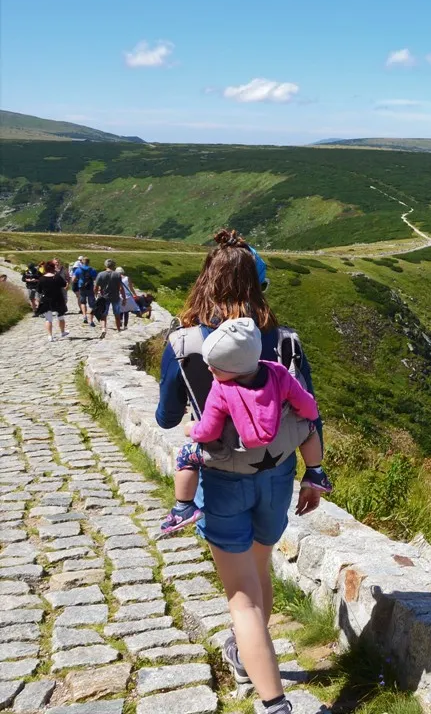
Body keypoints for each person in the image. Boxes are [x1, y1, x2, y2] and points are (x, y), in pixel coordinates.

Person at [154, 229, 329, 714]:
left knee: (241, 598)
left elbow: (165, 418)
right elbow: (311, 413)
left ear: (205, 281)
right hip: (277, 475)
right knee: (260, 567)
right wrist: (314, 474)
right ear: (257, 282)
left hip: (221, 480)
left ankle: (273, 700)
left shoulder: (184, 343)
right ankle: (247, 653)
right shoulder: (285, 342)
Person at [161, 316, 328, 537]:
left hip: (233, 458)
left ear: (232, 367)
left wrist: (192, 428)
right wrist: (308, 418)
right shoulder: (278, 372)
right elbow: (307, 406)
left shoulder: (221, 390)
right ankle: (315, 472)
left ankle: (183, 507)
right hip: (279, 453)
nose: (209, 369)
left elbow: (209, 431)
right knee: (309, 430)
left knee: (185, 456)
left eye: (215, 367)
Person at [34, 261, 69, 341]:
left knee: (48, 319)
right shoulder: (57, 277)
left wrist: (38, 300)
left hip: (46, 300)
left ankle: (50, 336)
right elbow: (64, 285)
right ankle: (62, 332)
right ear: (53, 268)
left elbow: (39, 290)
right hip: (58, 299)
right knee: (60, 317)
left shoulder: (41, 279)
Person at [93, 258, 126, 338]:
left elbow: (96, 287)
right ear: (114, 266)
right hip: (115, 297)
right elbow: (121, 288)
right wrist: (124, 298)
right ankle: (118, 330)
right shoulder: (117, 275)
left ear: (105, 265)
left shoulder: (100, 274)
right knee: (117, 315)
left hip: (104, 297)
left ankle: (103, 329)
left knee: (103, 314)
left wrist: (96, 294)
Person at [71, 256, 98, 327]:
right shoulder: (92, 270)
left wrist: (78, 280)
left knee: (83, 302)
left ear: (82, 262)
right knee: (92, 305)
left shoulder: (78, 269)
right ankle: (91, 320)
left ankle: (84, 316)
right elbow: (96, 279)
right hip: (90, 288)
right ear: (89, 262)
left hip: (81, 287)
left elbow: (73, 280)